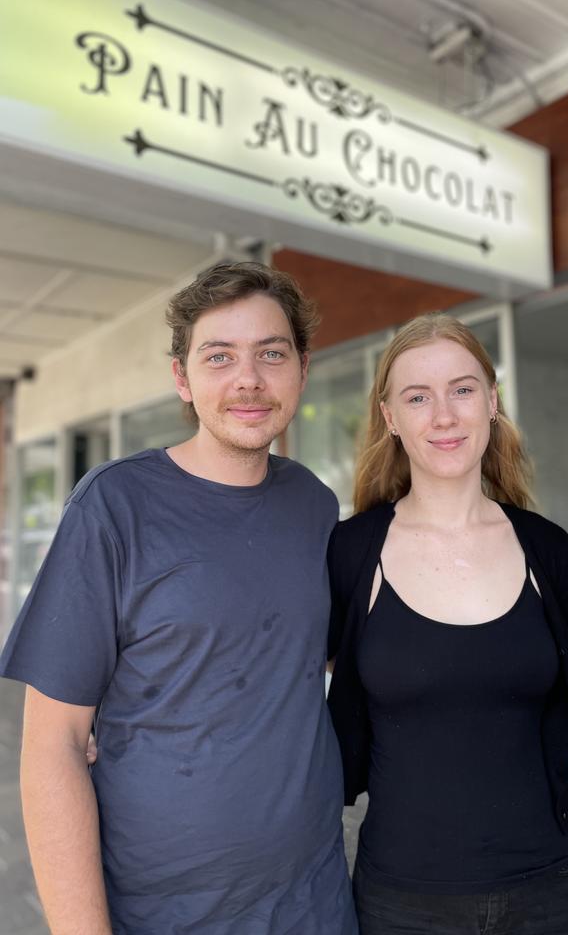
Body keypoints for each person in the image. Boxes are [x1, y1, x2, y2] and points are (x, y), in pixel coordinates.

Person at [0, 261, 358, 935]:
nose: (247, 378)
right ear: (182, 379)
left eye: (270, 354)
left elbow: (317, 652)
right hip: (164, 912)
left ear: (302, 372)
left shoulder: (313, 502)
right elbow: (52, 748)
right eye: (218, 356)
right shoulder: (115, 505)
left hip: (313, 898)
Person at [327, 312, 568, 935]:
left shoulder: (549, 553)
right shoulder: (351, 555)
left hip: (549, 897)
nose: (443, 416)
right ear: (391, 417)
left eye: (462, 390)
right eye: (418, 397)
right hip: (400, 906)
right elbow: (270, 690)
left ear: (491, 402)